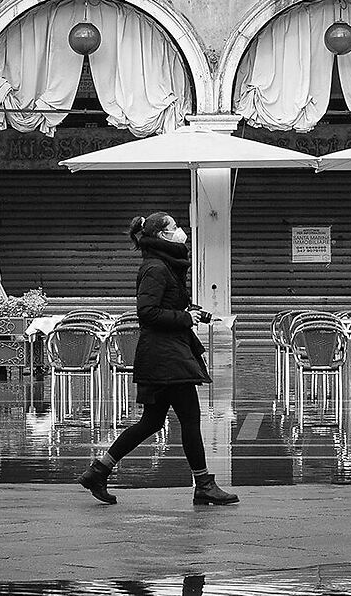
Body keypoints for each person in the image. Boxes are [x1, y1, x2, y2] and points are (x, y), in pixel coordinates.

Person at [78, 212, 239, 506]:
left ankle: (98, 471)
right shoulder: (155, 268)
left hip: (164, 354)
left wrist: (191, 311)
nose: (180, 231)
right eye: (174, 227)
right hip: (166, 357)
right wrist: (184, 317)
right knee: (190, 418)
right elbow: (147, 312)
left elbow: (164, 304)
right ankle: (203, 484)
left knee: (151, 422)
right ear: (163, 235)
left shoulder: (164, 266)